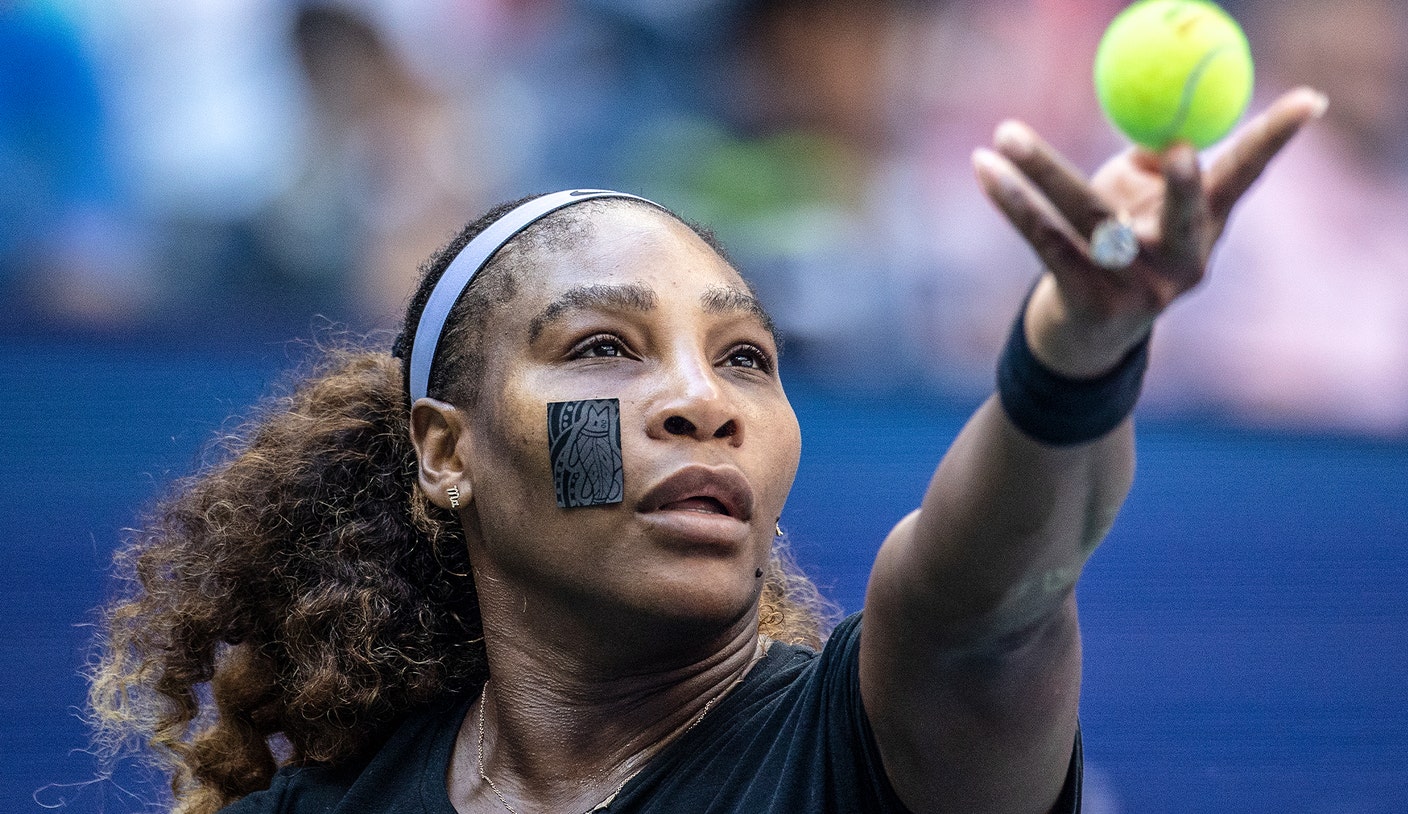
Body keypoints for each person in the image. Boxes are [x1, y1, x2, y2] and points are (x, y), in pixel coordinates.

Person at [88, 87, 1326, 814]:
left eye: (744, 358)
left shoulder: (870, 744)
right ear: (444, 452)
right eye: (601, 349)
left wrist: (1081, 349)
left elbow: (984, 601)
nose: (702, 401)